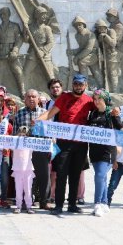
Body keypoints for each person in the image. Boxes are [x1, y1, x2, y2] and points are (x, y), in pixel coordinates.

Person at [38, 74, 95, 215]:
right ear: (72, 85)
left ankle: (72, 204)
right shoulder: (64, 97)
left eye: (81, 84)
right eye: (76, 84)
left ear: (85, 85)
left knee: (75, 175)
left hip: (81, 144)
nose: (78, 87)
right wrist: (37, 120)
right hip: (64, 142)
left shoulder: (89, 101)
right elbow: (50, 114)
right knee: (61, 174)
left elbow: (101, 111)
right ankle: (58, 205)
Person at [12, 89, 51, 210]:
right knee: (26, 175)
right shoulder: (19, 114)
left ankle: (44, 201)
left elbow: (50, 131)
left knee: (44, 175)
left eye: (34, 96)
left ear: (38, 99)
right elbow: (14, 133)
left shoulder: (45, 113)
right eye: (28, 97)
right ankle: (25, 201)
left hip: (40, 148)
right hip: (24, 151)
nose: (31, 99)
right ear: (25, 99)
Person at [87, 89, 122, 217]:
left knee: (100, 175)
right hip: (94, 150)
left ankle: (97, 204)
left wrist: (117, 116)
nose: (96, 102)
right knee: (102, 176)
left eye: (99, 99)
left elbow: (120, 127)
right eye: (94, 99)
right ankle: (105, 202)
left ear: (105, 100)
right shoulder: (92, 114)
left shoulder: (111, 113)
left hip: (108, 151)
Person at [11, 126, 35, 214]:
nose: (22, 137)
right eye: (20, 135)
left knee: (28, 189)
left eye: (24, 135)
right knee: (18, 189)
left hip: (28, 169)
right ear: (17, 135)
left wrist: (50, 142)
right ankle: (18, 206)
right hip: (17, 169)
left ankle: (29, 206)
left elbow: (41, 145)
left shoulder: (31, 144)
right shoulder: (14, 143)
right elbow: (4, 141)